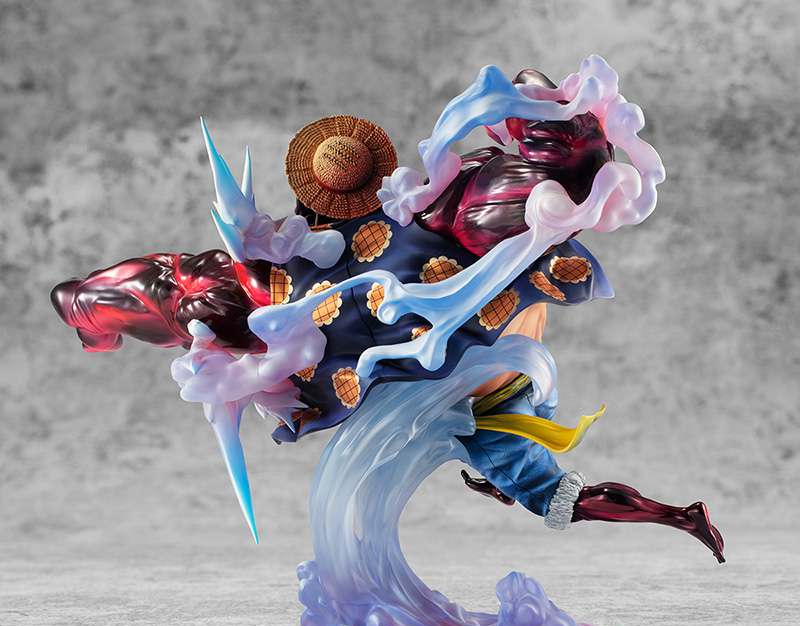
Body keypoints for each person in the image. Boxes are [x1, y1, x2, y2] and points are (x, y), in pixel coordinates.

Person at [51, 68, 724, 562]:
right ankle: (674, 516)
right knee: (545, 489)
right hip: (443, 351)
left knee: (545, 488)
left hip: (448, 344)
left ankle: (674, 515)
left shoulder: (405, 215)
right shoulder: (368, 230)